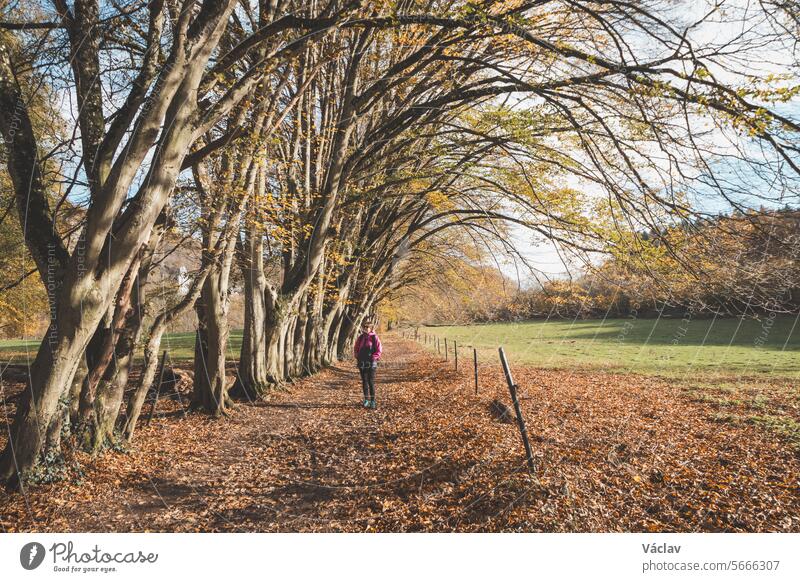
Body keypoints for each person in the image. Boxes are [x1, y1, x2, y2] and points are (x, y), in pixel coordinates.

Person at [353, 320, 382, 409]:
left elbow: (379, 350)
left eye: (367, 327)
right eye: (364, 327)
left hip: (371, 363)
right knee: (364, 381)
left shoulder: (375, 337)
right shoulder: (361, 337)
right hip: (362, 362)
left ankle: (373, 401)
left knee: (371, 381)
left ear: (371, 328)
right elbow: (356, 347)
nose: (365, 328)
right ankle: (366, 400)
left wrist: (373, 357)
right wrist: (357, 355)